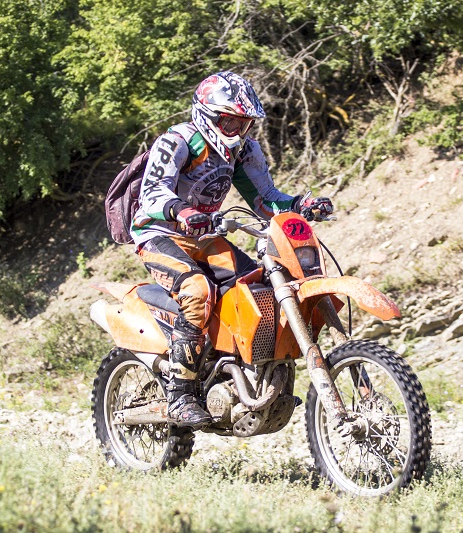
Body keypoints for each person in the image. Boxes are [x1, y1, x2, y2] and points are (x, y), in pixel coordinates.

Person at [131, 71, 333, 428]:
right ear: (207, 115)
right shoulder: (178, 141)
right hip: (160, 233)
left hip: (206, 236)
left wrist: (299, 205)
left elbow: (265, 199)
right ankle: (180, 396)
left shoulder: (243, 151)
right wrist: (182, 211)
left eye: (245, 123)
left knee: (258, 285)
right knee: (197, 291)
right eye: (230, 122)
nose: (238, 131)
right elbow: (152, 193)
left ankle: (239, 370)